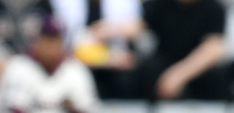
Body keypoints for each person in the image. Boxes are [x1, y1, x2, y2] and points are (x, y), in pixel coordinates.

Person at [93, 0, 227, 100]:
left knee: (216, 77)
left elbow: (211, 50)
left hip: (196, 70)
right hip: (162, 66)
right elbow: (135, 26)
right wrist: (108, 30)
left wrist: (178, 76)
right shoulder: (160, 4)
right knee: (145, 70)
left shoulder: (214, 9)